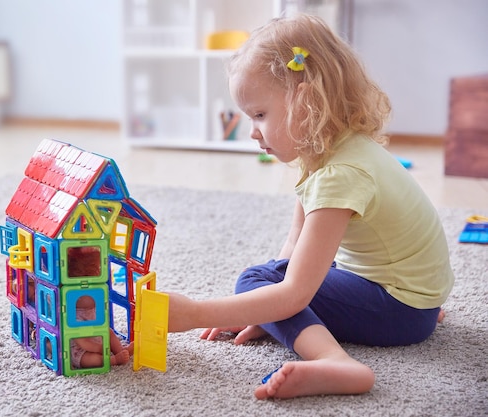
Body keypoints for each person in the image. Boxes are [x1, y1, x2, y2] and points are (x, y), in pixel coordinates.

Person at [166, 14, 454, 400]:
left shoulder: (340, 173)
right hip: (416, 303)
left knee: (256, 281)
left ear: (306, 101)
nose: (252, 131)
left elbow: (293, 293)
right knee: (273, 282)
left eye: (260, 115)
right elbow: (294, 246)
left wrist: (197, 313)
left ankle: (334, 360)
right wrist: (261, 313)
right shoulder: (331, 152)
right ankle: (284, 320)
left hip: (400, 311)